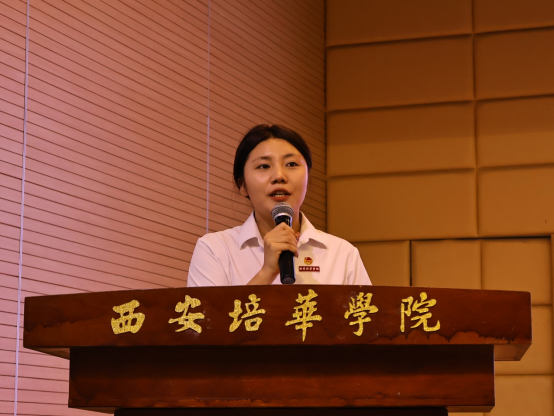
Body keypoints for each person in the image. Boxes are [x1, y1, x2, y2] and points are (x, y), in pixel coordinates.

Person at [187, 124, 371, 286]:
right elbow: (207, 316)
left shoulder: (342, 254)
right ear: (243, 185)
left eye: (291, 164)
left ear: (307, 179)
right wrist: (267, 272)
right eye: (263, 166)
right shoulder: (215, 250)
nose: (279, 176)